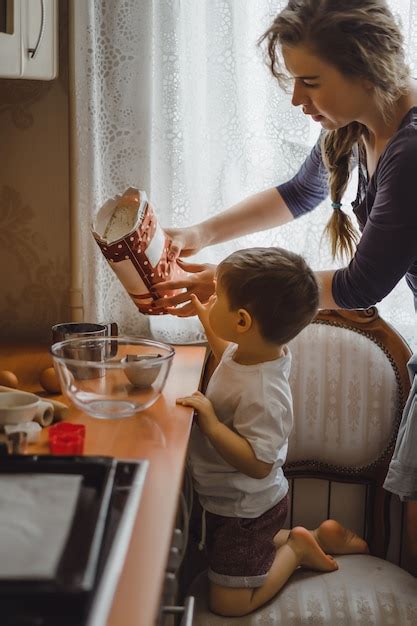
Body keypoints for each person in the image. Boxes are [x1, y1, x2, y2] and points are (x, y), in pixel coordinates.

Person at [157, 0, 417, 568]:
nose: (297, 100)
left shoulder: (412, 149)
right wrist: (201, 232)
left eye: (310, 82)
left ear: (368, 70)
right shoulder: (356, 128)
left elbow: (359, 284)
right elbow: (300, 193)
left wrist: (236, 283)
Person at [176, 247, 368, 617]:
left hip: (245, 510)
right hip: (234, 503)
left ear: (242, 321)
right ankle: (316, 536)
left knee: (229, 603)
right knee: (234, 553)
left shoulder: (265, 395)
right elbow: (230, 359)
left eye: (218, 296)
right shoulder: (253, 353)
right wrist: (208, 321)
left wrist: (212, 424)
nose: (211, 299)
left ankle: (297, 548)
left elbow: (260, 462)